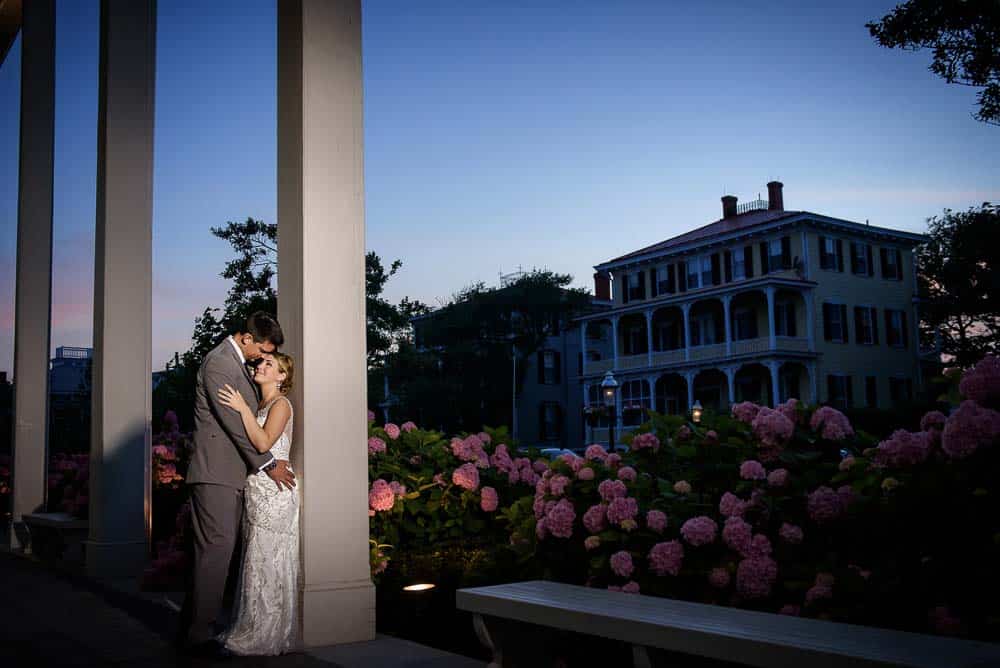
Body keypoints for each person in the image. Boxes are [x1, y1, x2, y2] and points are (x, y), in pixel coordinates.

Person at [178, 312, 295, 659]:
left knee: (213, 553)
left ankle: (192, 627)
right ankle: (199, 636)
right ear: (246, 337)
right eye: (261, 348)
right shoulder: (220, 364)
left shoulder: (237, 362)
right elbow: (233, 425)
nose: (261, 357)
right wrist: (269, 464)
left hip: (229, 474)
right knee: (217, 551)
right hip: (216, 473)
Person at [216, 351, 300, 655]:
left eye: (269, 365)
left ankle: (264, 634)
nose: (260, 366)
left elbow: (264, 443)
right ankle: (251, 625)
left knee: (267, 561)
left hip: (276, 492)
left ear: (281, 377)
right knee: (254, 560)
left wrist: (240, 408)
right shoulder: (260, 404)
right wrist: (246, 408)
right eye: (261, 362)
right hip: (257, 487)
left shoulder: (281, 404)